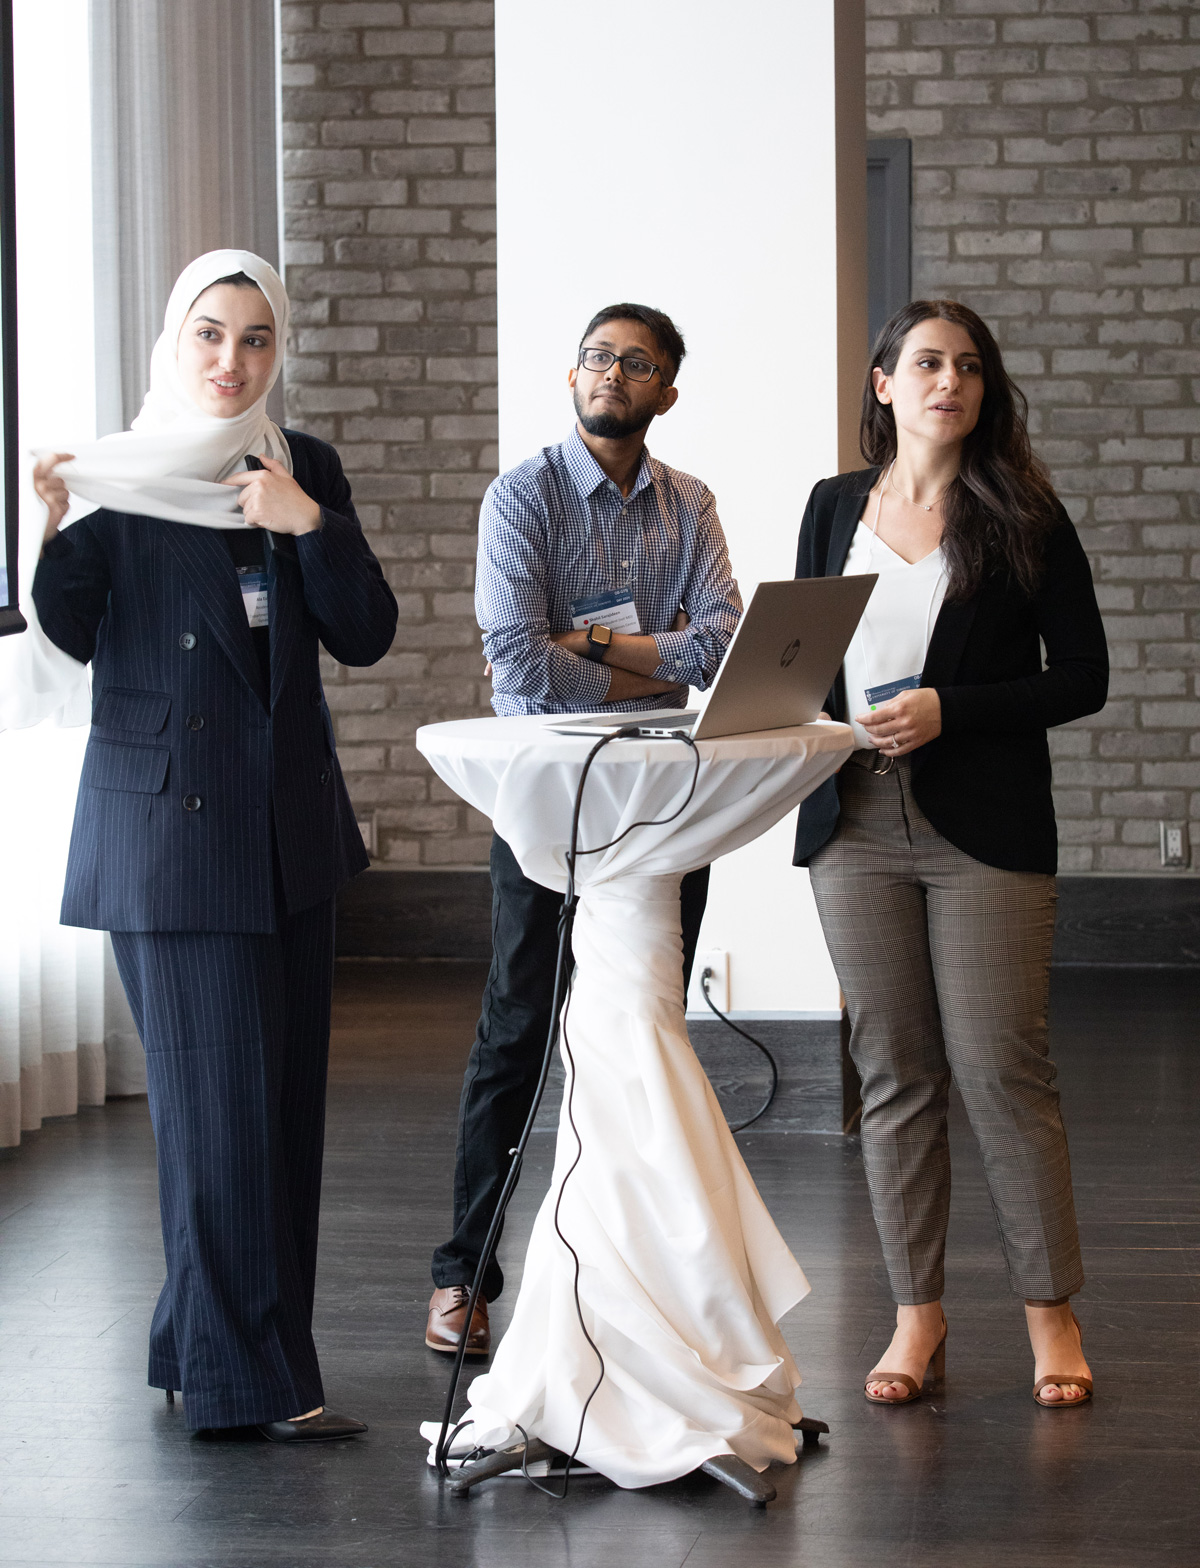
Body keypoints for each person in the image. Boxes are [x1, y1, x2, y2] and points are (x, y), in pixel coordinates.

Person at [32, 250, 398, 1441]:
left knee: (277, 1113)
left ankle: (201, 1346)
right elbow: (70, 635)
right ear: (171, 343)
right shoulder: (121, 473)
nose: (230, 362)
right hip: (170, 832)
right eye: (208, 335)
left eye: (253, 338)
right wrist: (49, 529)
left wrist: (308, 525)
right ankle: (256, 1387)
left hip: (290, 831)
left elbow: (367, 632)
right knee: (218, 1113)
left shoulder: (304, 467)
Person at [792, 299, 1108, 1409]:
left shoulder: (1025, 514)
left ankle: (1049, 1313)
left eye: (968, 367)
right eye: (926, 363)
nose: (949, 382)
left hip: (987, 828)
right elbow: (805, 660)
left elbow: (1082, 676)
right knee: (894, 1075)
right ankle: (915, 1318)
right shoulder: (833, 507)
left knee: (1003, 1071)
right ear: (883, 384)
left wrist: (951, 710)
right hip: (853, 826)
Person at [426, 302, 742, 1356]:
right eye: (599, 356)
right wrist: (651, 651)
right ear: (573, 377)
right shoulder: (521, 496)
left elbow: (727, 645)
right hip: (549, 790)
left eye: (637, 361)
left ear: (667, 392)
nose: (613, 372)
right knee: (519, 1024)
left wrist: (588, 642)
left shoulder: (688, 502)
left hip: (662, 792)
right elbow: (517, 663)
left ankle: (642, 1279)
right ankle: (463, 1277)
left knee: (645, 1027)